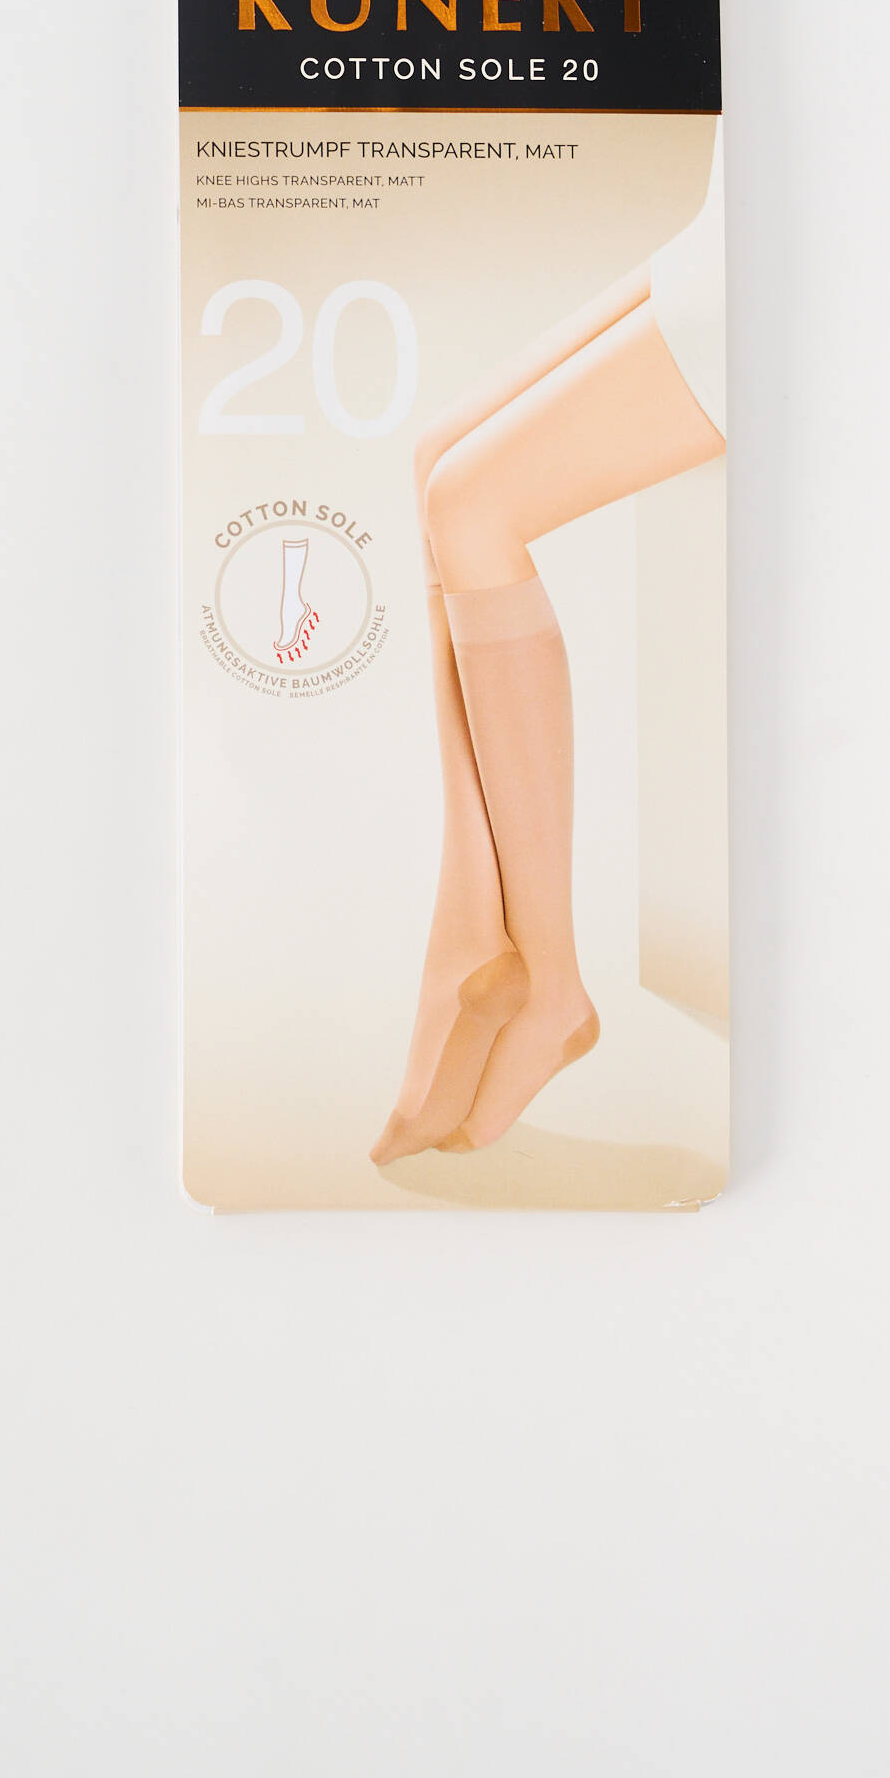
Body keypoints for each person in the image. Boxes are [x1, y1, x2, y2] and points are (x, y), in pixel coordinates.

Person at [372, 143, 727, 1164]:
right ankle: (476, 925)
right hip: (729, 228)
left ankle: (547, 980)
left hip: (783, 273)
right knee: (434, 457)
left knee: (470, 505)